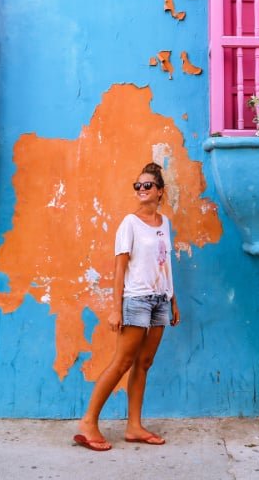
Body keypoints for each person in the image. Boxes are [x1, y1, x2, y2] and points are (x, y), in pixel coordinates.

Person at [74, 162, 180, 452]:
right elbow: (120, 269)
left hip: (160, 300)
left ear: (160, 191)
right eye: (138, 185)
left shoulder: (164, 223)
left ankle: (134, 426)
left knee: (144, 363)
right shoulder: (129, 224)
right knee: (122, 362)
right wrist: (115, 308)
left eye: (148, 185)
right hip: (136, 300)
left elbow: (164, 262)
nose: (142, 190)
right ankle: (88, 422)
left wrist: (173, 299)